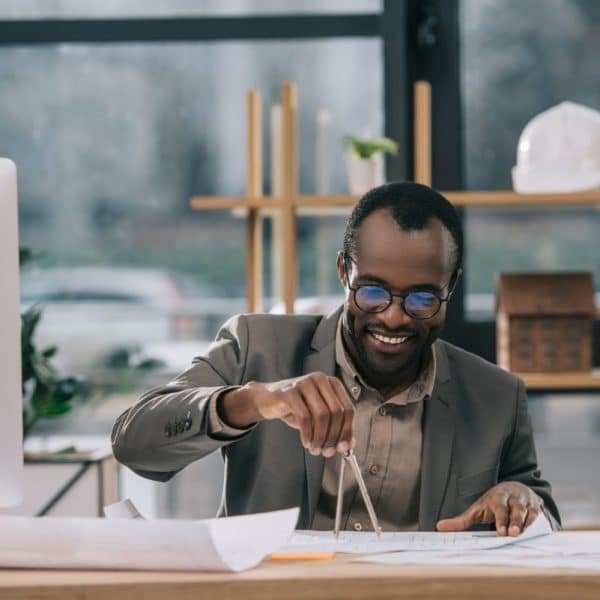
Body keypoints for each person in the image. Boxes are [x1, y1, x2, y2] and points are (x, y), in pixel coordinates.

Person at [112, 181, 560, 534]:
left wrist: (520, 499)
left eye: (422, 299)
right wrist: (254, 402)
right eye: (372, 291)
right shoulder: (257, 347)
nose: (394, 317)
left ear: (452, 288)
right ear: (344, 271)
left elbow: (542, 512)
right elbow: (133, 443)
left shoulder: (497, 395)